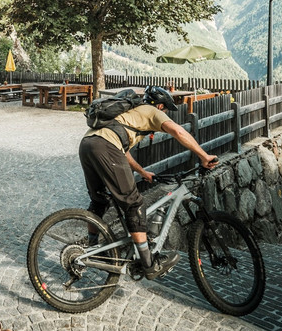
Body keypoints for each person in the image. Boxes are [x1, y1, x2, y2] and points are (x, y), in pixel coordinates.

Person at [79, 84, 218, 280]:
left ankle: (92, 247)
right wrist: (203, 156)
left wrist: (142, 172)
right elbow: (178, 132)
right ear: (161, 106)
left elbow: (122, 150)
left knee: (99, 200)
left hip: (87, 145)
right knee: (134, 203)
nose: (167, 113)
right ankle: (149, 264)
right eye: (167, 109)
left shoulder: (131, 113)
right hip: (105, 146)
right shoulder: (152, 111)